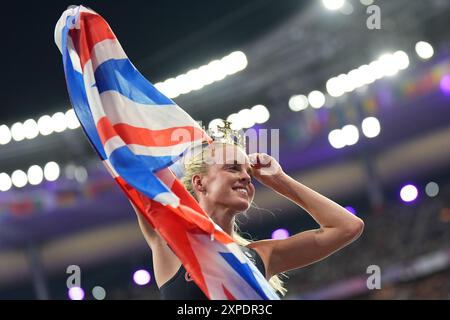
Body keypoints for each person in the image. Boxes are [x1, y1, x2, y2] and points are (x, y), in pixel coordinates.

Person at [131, 136, 364, 299]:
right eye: (233, 168)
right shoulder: (170, 243)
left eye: (249, 173)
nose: (246, 177)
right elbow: (129, 162)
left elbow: (348, 226)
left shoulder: (259, 256)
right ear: (199, 182)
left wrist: (280, 180)